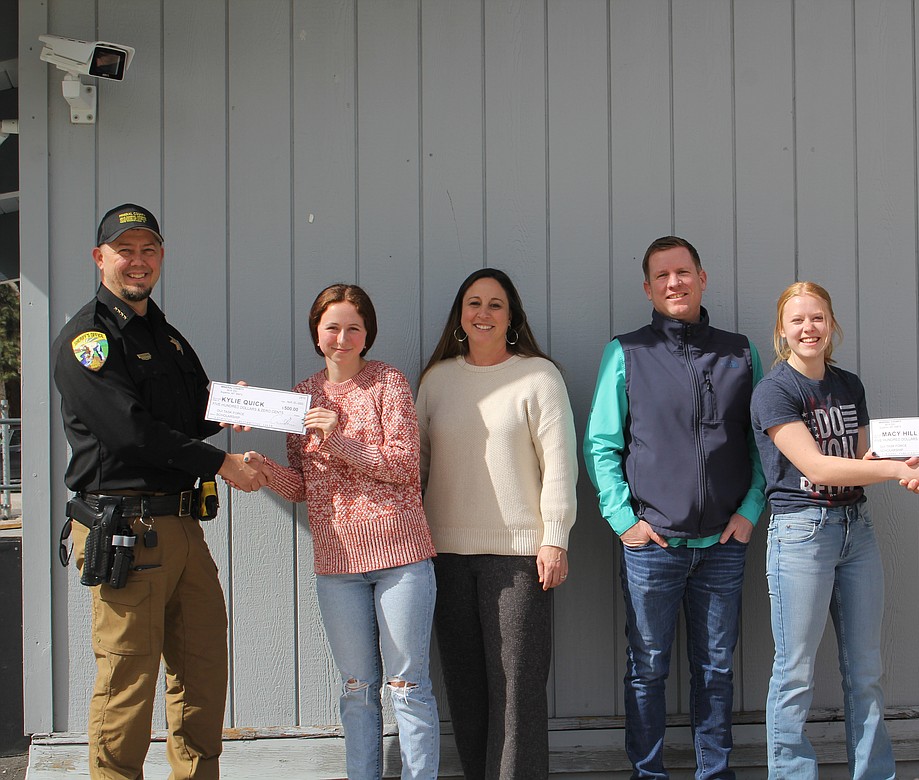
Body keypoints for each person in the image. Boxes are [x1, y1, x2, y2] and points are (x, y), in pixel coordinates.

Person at [51, 203, 267, 780]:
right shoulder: (88, 339)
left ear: (161, 257)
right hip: (125, 530)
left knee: (200, 674)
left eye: (149, 250)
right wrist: (222, 462)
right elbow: (130, 431)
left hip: (181, 528)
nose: (138, 261)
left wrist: (230, 408)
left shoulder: (165, 335)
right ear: (101, 259)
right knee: (128, 685)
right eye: (126, 251)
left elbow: (186, 411)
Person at [583, 235, 766, 780]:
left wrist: (750, 510)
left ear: (702, 277)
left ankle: (715, 774)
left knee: (715, 670)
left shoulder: (740, 352)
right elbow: (602, 443)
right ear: (648, 288)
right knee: (647, 670)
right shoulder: (627, 352)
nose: (674, 284)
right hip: (652, 546)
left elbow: (762, 440)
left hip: (722, 546)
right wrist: (623, 521)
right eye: (662, 276)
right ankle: (649, 773)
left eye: (683, 272)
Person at [749, 281, 919, 780]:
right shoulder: (774, 391)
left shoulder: (848, 384)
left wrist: (913, 460)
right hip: (801, 535)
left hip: (855, 531)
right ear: (782, 331)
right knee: (794, 672)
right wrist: (897, 471)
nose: (808, 328)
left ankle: (874, 774)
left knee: (866, 672)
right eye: (797, 321)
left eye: (817, 318)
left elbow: (860, 459)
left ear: (832, 324)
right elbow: (818, 467)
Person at [245, 284, 440, 780]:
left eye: (354, 327)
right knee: (357, 687)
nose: (343, 337)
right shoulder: (299, 398)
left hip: (401, 559)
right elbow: (302, 486)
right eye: (333, 326)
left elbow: (401, 467)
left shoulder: (387, 383)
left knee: (408, 686)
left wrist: (340, 438)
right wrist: (260, 466)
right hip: (338, 568)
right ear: (316, 333)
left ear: (367, 333)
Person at [416, 267, 577, 779]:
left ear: (512, 317)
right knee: (465, 690)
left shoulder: (538, 377)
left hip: (520, 558)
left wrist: (555, 539)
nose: (482, 313)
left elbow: (560, 465)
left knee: (516, 693)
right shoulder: (437, 380)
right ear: (460, 316)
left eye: (495, 304)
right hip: (444, 556)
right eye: (473, 303)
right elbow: (413, 465)